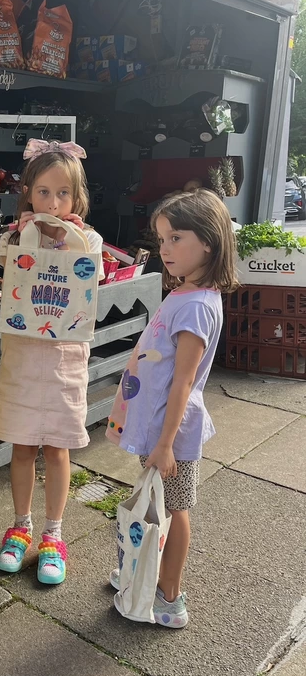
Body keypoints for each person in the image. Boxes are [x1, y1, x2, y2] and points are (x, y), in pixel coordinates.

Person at [106, 189, 237, 628]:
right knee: (156, 504)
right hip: (160, 429)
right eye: (161, 239)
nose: (164, 249)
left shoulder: (197, 306)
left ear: (209, 242)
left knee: (174, 510)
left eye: (176, 238)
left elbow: (183, 382)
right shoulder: (185, 295)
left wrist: (165, 445)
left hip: (172, 435)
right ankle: (143, 570)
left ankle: (169, 595)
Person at [0, 140, 104, 585]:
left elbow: (89, 276)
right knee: (21, 446)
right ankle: (20, 526)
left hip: (64, 361)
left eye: (62, 194)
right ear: (28, 194)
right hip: (21, 358)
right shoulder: (18, 235)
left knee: (57, 447)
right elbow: (7, 269)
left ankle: (54, 535)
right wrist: (24, 237)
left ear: (77, 198)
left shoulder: (88, 239)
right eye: (42, 192)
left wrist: (70, 239)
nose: (52, 203)